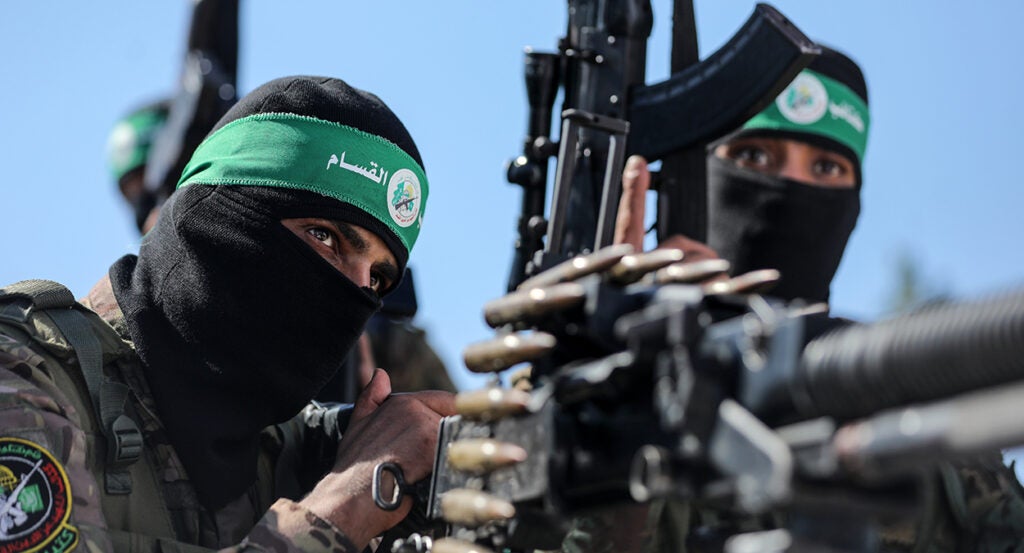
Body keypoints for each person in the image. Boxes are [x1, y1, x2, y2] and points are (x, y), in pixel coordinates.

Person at [597, 45, 1024, 552]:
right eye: (754, 156)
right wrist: (614, 379)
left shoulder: (927, 441)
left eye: (826, 168)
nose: (789, 188)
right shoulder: (596, 395)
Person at [0, 75, 453, 552]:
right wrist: (340, 514)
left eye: (377, 280)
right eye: (324, 237)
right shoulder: (24, 373)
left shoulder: (292, 454)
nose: (354, 295)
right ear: (223, 213)